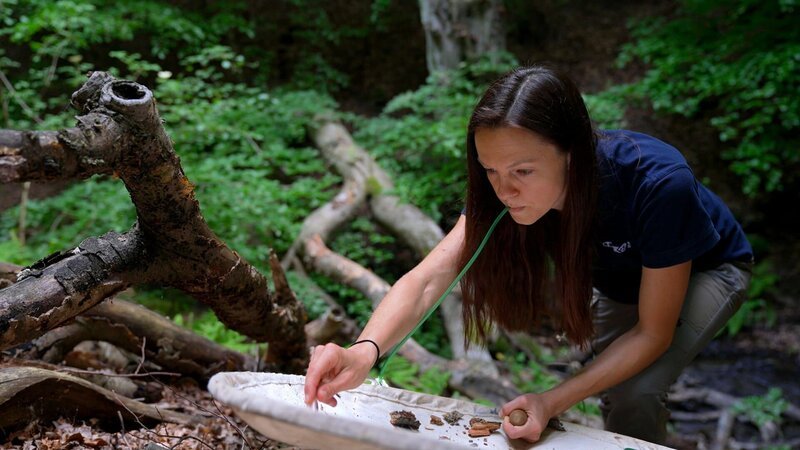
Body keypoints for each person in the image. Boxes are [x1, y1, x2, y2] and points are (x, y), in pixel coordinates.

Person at [303, 65, 753, 445]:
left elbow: (652, 333)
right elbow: (428, 278)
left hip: (707, 270)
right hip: (621, 279)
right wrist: (362, 352)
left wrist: (550, 400)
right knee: (613, 390)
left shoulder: (657, 183)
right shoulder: (501, 195)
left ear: (573, 154)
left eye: (522, 171)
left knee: (634, 391)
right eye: (491, 171)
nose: (504, 190)